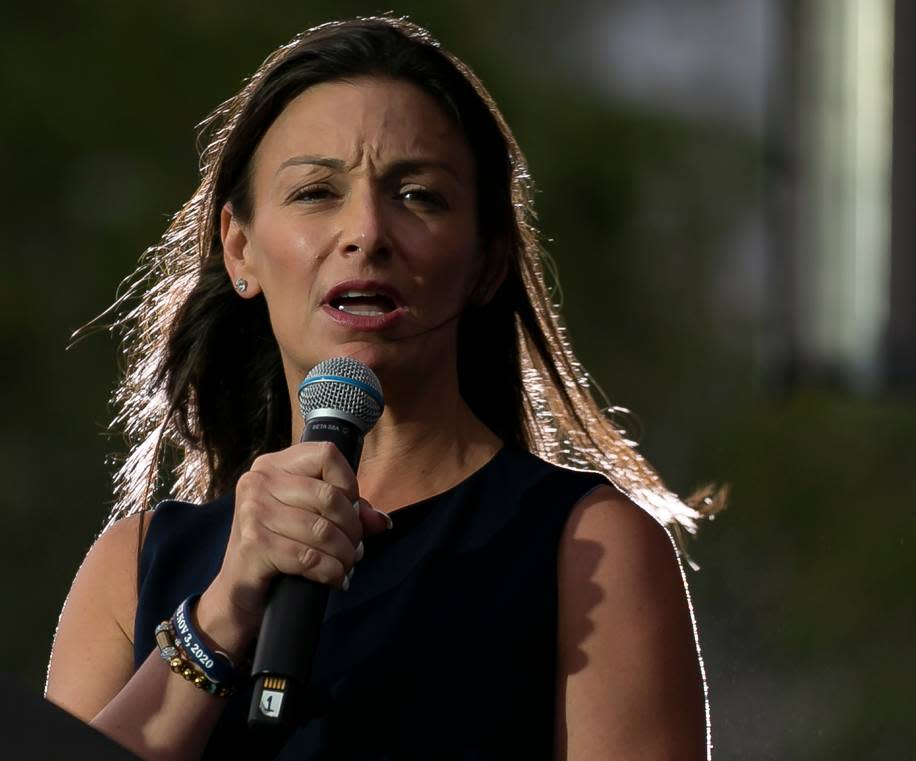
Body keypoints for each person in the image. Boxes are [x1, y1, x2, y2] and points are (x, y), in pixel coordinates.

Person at [45, 16, 723, 760]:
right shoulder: (137, 565)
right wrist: (221, 614)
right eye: (315, 193)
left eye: (420, 196)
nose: (367, 230)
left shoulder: (588, 548)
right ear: (241, 248)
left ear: (487, 258)